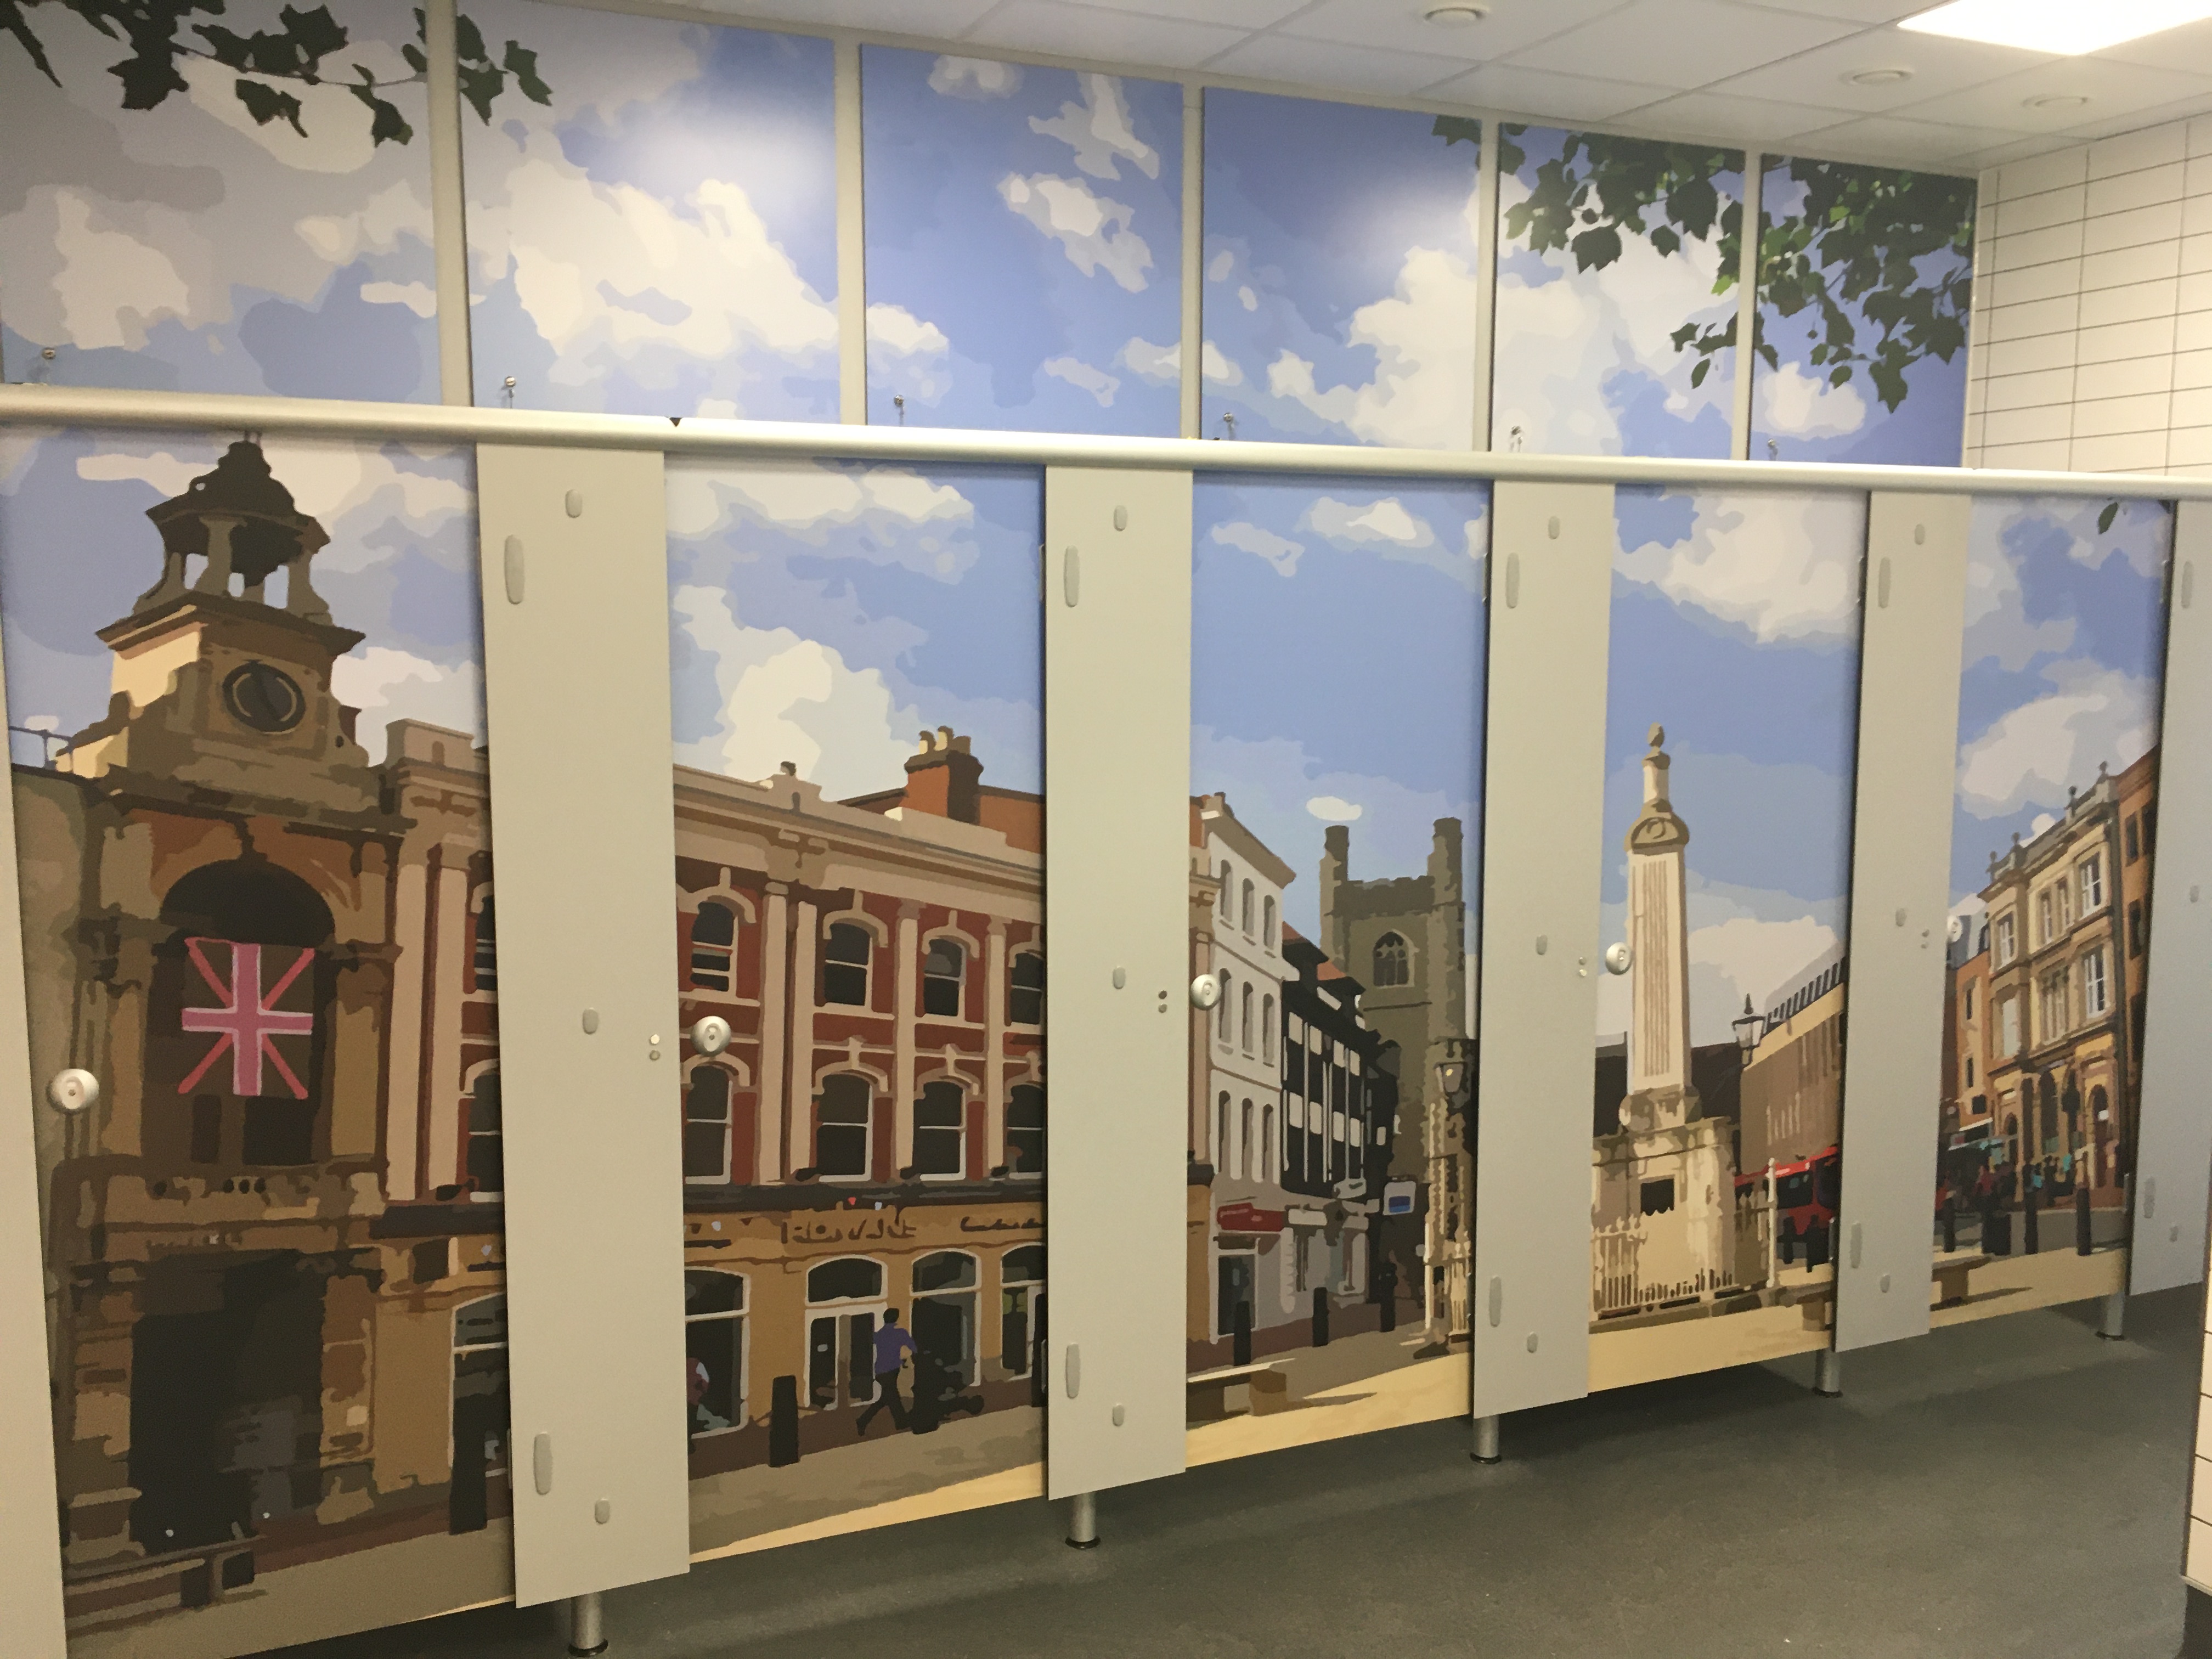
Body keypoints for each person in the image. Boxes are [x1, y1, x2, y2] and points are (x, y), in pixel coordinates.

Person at [855, 1310, 915, 1436]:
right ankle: (900, 1422)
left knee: (886, 1398)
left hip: (880, 1372)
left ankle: (864, 1420)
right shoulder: (900, 1333)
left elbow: (871, 1341)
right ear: (896, 1319)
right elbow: (913, 1347)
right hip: (891, 1371)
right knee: (893, 1397)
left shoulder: (879, 1335)